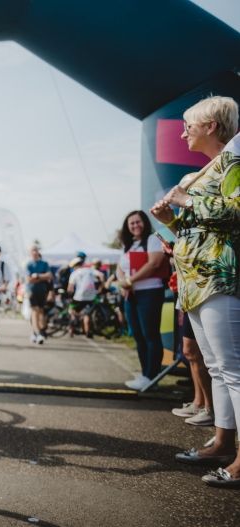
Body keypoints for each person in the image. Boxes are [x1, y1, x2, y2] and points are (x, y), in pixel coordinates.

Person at [151, 95, 239, 488]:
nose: (183, 131)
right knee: (219, 368)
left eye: (190, 124)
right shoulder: (209, 170)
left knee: (234, 370)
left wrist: (188, 199)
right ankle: (223, 441)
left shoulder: (234, 162)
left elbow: (237, 212)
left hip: (221, 277)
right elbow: (194, 232)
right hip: (196, 281)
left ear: (212, 127)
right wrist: (172, 219)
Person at [115, 210, 166, 390]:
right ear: (127, 227)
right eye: (132, 223)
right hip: (131, 294)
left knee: (150, 335)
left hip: (150, 292)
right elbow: (120, 268)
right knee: (138, 335)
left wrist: (130, 281)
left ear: (144, 222)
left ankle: (152, 376)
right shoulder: (127, 246)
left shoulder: (152, 240)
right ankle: (145, 374)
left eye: (138, 222)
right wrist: (123, 283)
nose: (135, 226)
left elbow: (154, 264)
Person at [67, 255, 104, 338]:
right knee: (86, 314)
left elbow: (70, 288)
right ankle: (87, 331)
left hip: (79, 297)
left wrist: (69, 295)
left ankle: (71, 330)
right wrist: (102, 287)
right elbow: (101, 275)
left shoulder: (74, 273)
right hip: (91, 296)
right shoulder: (90, 270)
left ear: (74, 266)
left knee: (71, 310)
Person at [25, 245, 53, 344]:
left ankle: (36, 332)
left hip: (42, 291)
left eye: (36, 250)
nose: (35, 252)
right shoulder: (28, 264)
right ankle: (37, 333)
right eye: (33, 250)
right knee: (35, 311)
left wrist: (37, 276)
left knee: (41, 311)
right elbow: (29, 279)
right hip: (32, 291)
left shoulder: (44, 263)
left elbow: (49, 276)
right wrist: (42, 278)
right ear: (30, 252)